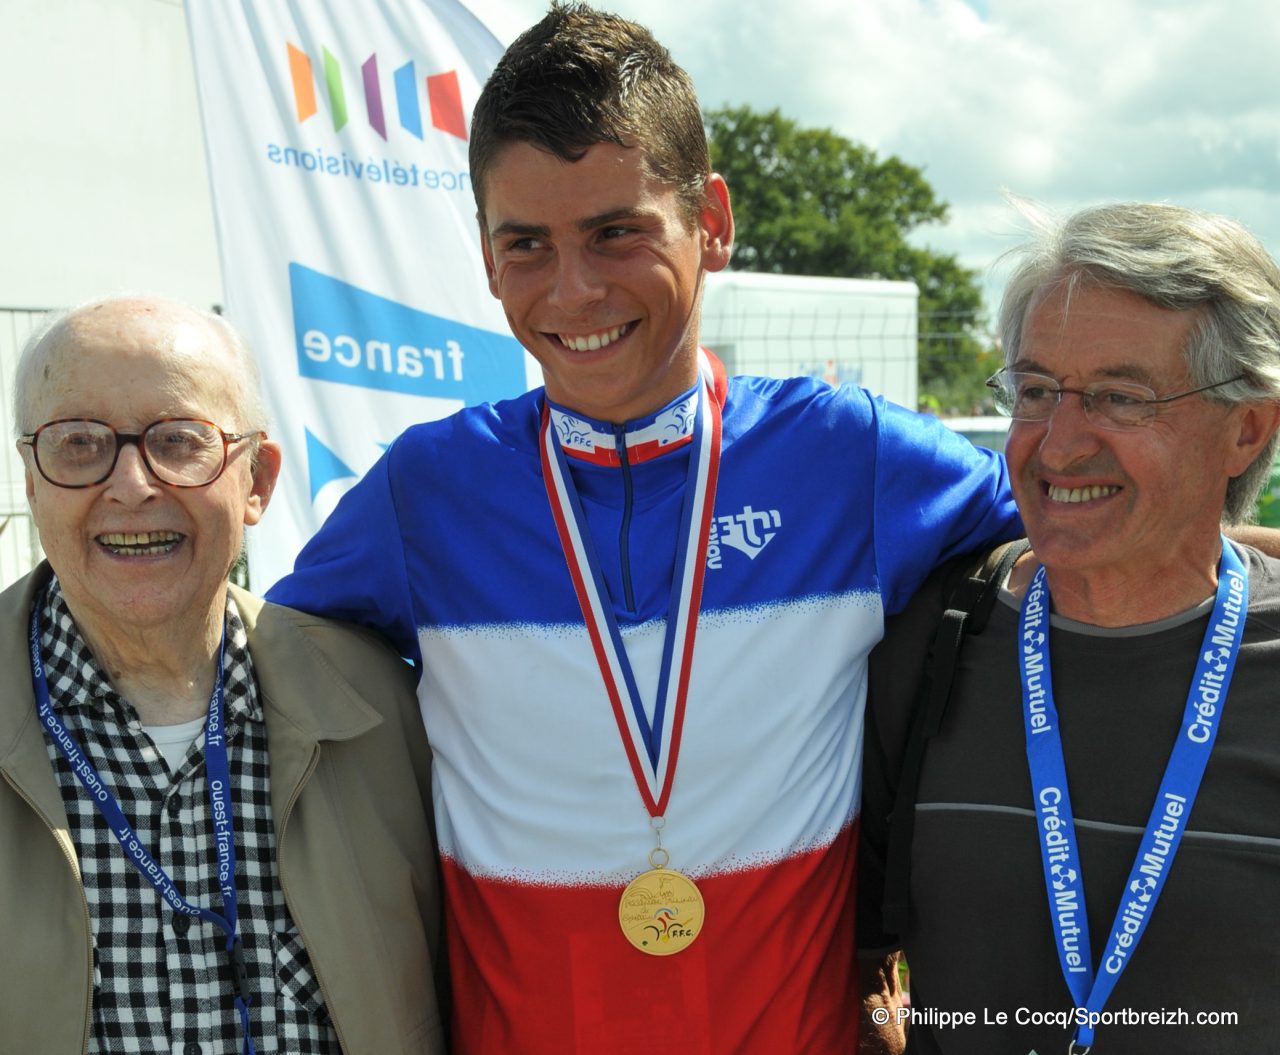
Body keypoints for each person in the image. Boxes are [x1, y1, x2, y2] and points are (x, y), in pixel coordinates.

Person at [267, 4, 1020, 1052]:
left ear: (710, 219)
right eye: (524, 244)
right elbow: (246, 668)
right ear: (483, 255)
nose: (573, 288)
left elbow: (1106, 542)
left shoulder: (848, 460)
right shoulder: (424, 495)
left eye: (615, 232)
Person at [859, 201, 1280, 1053]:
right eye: (1037, 390)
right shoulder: (930, 639)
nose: (1057, 445)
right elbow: (857, 961)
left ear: (1248, 427)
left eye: (1121, 398)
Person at [2, 295, 446, 1054]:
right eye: (79, 443)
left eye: (179, 441)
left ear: (257, 481)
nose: (133, 483)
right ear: (32, 480)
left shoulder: (386, 709)